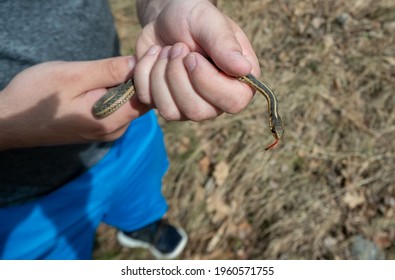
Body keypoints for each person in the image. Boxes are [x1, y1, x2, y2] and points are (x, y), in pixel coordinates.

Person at [0, 0, 259, 259]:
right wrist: (8, 124)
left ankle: (142, 226)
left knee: (143, 194)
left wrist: (167, 6)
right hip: (21, 208)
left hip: (130, 132)